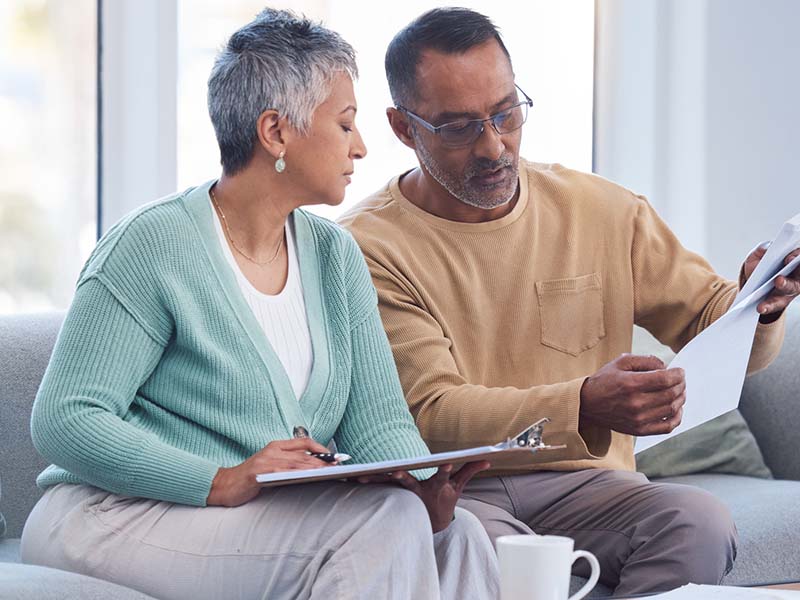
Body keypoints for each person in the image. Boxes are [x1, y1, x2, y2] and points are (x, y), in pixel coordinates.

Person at [20, 9, 500, 600]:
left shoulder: (335, 256)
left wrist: (426, 485)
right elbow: (66, 419)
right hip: (113, 514)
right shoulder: (152, 245)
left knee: (460, 534)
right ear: (275, 132)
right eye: (345, 124)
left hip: (246, 521)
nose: (362, 147)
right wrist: (221, 479)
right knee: (386, 524)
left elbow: (378, 425)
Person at [338, 7, 800, 597]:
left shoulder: (604, 210)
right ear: (404, 129)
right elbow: (433, 414)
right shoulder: (365, 247)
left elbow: (715, 323)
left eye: (506, 113)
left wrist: (761, 303)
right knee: (478, 550)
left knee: (699, 521)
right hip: (458, 486)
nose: (493, 144)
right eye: (458, 127)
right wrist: (583, 404)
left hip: (589, 485)